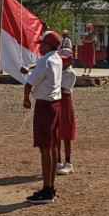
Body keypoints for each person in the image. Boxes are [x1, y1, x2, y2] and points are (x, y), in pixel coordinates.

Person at [23, 30, 63, 204]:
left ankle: (46, 188)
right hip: (56, 104)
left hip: (44, 106)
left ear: (48, 45)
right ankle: (51, 186)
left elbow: (30, 82)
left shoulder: (46, 61)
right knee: (53, 146)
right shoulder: (57, 59)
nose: (40, 47)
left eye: (42, 44)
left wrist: (25, 98)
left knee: (45, 147)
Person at [56, 48, 77, 176]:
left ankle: (68, 162)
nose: (62, 62)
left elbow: (61, 88)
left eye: (65, 60)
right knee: (56, 132)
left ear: (70, 60)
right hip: (55, 101)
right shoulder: (56, 71)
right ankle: (58, 161)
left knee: (66, 133)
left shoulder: (71, 74)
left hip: (64, 101)